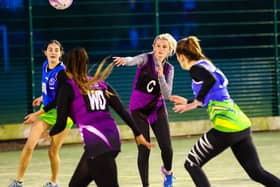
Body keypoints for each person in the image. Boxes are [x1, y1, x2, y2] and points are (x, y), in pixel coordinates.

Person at [169, 36, 280, 187]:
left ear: (181, 56)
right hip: (240, 123)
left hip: (226, 126)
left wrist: (194, 103)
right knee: (256, 172)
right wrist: (188, 101)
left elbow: (210, 81)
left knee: (191, 163)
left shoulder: (196, 69)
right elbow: (215, 96)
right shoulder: (207, 64)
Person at [49, 47, 153, 187]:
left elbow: (61, 123)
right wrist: (138, 133)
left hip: (98, 143)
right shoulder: (101, 84)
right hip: (112, 138)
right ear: (85, 65)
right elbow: (122, 110)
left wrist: (48, 133)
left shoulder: (68, 88)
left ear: (67, 67)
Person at [113, 33, 177, 187]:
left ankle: (168, 173)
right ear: (153, 47)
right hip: (138, 111)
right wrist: (125, 60)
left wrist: (161, 76)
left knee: (167, 148)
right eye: (158, 46)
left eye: (164, 47)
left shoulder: (169, 68)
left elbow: (167, 94)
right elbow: (133, 59)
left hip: (157, 109)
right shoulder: (145, 59)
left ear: (169, 50)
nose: (160, 49)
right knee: (144, 149)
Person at [9, 40, 74, 187]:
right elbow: (51, 90)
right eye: (50, 49)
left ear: (61, 53)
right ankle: (18, 182)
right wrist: (42, 97)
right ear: (45, 52)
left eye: (56, 50)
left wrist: (36, 114)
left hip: (63, 115)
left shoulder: (63, 73)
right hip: (47, 112)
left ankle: (54, 182)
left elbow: (59, 99)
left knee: (52, 151)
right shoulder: (45, 65)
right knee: (30, 145)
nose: (53, 52)